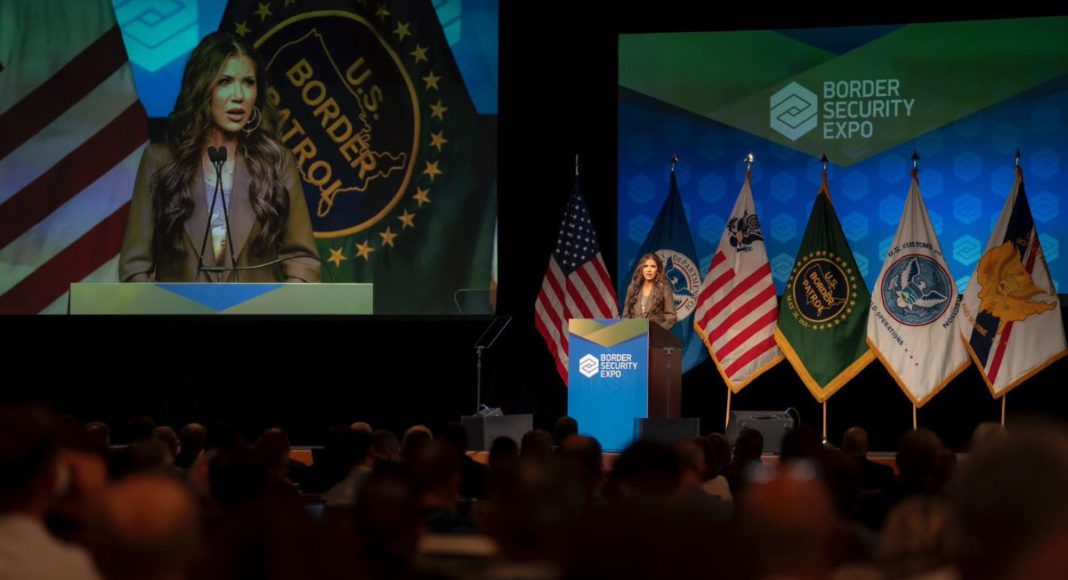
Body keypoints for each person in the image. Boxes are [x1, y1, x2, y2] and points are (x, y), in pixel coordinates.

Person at [119, 32, 320, 283]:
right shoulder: (160, 160)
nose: (239, 95)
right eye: (225, 81)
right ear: (202, 87)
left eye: (248, 82)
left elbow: (303, 262)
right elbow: (135, 267)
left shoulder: (277, 162)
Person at [621, 252, 676, 329]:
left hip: (656, 334)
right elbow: (626, 316)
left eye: (653, 266)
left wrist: (657, 331)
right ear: (641, 269)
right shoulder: (632, 288)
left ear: (658, 270)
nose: (649, 270)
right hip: (635, 333)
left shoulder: (665, 288)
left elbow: (671, 318)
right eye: (645, 266)